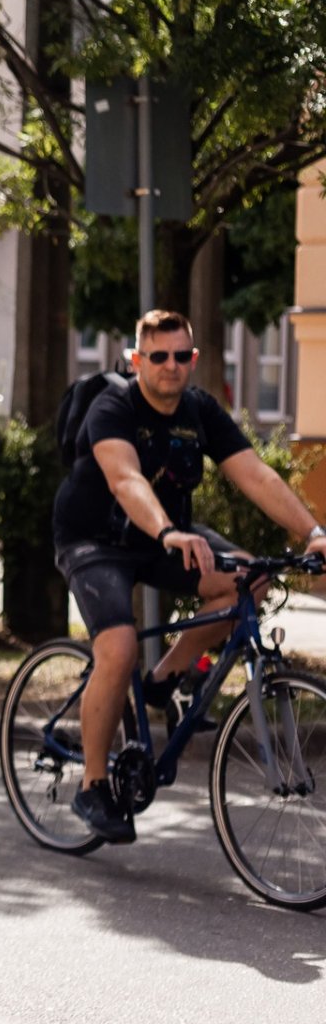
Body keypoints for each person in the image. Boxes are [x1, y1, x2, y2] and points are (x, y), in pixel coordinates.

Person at [53, 308, 326, 844]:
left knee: (249, 578)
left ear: (194, 360)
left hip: (163, 536)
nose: (171, 366)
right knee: (118, 646)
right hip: (96, 540)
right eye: (158, 356)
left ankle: (163, 682)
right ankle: (92, 784)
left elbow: (255, 473)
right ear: (138, 360)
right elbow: (125, 478)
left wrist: (312, 531)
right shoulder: (113, 406)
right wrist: (167, 532)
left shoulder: (199, 410)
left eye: (181, 356)